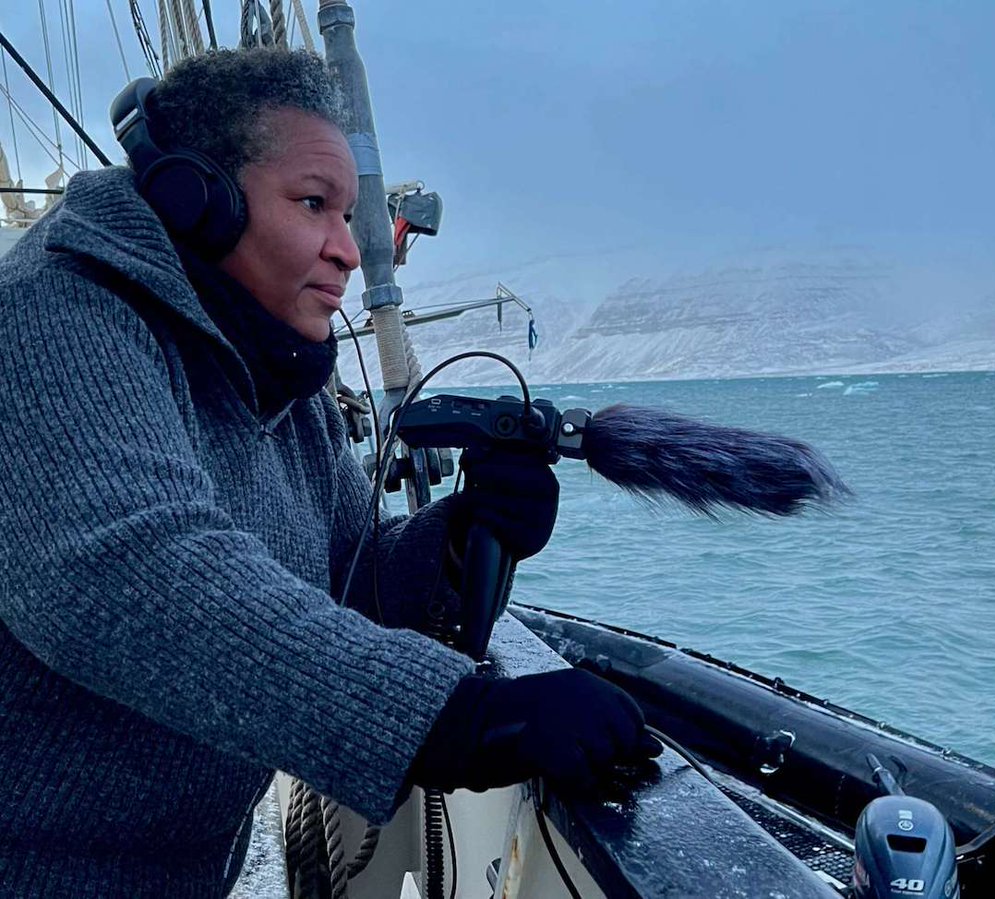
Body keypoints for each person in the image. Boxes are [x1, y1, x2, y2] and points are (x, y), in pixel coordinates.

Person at [0, 48, 658, 896]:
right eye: (314, 204)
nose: (348, 251)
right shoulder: (50, 311)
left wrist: (457, 538)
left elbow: (345, 576)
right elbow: (128, 573)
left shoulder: (278, 364)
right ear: (195, 197)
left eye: (349, 215)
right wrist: (460, 718)